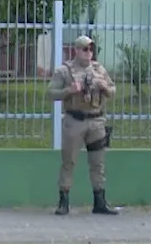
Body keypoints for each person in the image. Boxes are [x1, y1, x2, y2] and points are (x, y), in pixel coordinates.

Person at [47, 34, 118, 216]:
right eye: (85, 49)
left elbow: (112, 90)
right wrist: (69, 91)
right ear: (77, 51)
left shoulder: (99, 69)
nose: (89, 53)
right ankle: (64, 201)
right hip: (75, 120)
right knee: (69, 161)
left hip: (96, 120)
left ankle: (100, 201)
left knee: (98, 163)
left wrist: (104, 87)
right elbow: (50, 93)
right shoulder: (64, 71)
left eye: (91, 49)